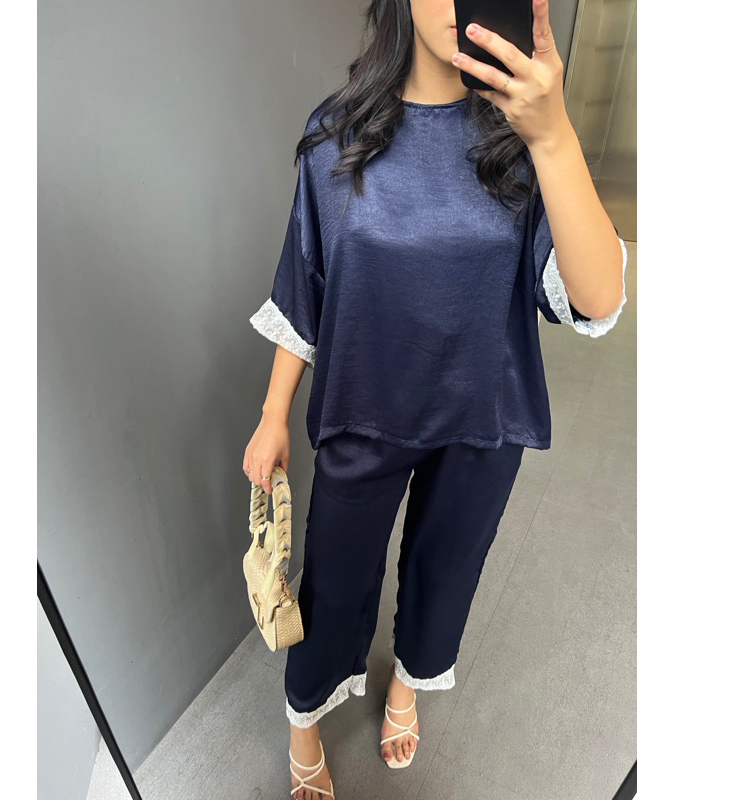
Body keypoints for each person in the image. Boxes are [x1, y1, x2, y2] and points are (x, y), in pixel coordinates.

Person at [243, 1, 628, 798]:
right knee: (335, 580)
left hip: (482, 418)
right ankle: (305, 714)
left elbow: (597, 300)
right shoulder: (337, 134)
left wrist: (554, 136)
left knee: (445, 572)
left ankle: (408, 682)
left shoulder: (525, 140)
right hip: (364, 409)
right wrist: (273, 414)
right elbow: (306, 285)